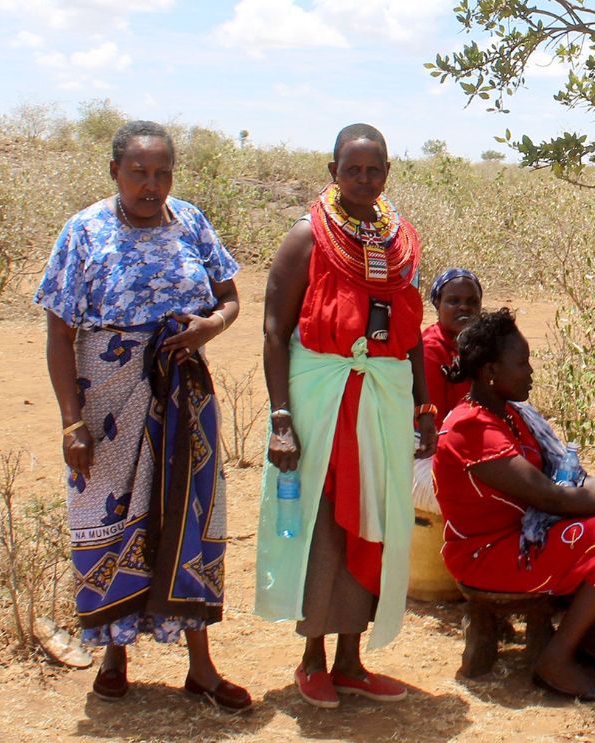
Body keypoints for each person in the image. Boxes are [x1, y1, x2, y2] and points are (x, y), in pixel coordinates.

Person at [34, 120, 250, 712]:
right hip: (105, 398)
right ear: (114, 173)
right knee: (107, 517)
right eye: (138, 173)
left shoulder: (191, 221)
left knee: (191, 514)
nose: (151, 185)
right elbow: (59, 334)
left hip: (184, 394)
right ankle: (112, 652)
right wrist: (71, 422)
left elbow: (230, 297)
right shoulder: (83, 231)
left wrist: (214, 324)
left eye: (161, 173)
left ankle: (201, 667)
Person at [256, 124, 436, 710]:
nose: (363, 179)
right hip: (322, 397)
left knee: (375, 517)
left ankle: (352, 660)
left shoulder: (401, 241)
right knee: (324, 517)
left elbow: (409, 332)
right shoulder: (305, 238)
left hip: (382, 396)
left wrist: (424, 404)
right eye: (352, 168)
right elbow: (275, 331)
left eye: (374, 168)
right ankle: (312, 659)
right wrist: (282, 417)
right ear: (332, 169)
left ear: (387, 171)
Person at [433, 309, 595, 701]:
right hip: (488, 554)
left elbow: (573, 480)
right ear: (489, 372)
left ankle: (593, 641)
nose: (530, 371)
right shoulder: (472, 430)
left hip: (524, 536)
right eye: (521, 362)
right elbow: (550, 495)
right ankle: (556, 657)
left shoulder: (511, 415)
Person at [412, 268, 482, 513]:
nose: (464, 308)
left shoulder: (477, 347)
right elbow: (436, 428)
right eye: (453, 301)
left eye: (472, 302)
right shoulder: (431, 352)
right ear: (437, 305)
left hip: (464, 444)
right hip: (426, 448)